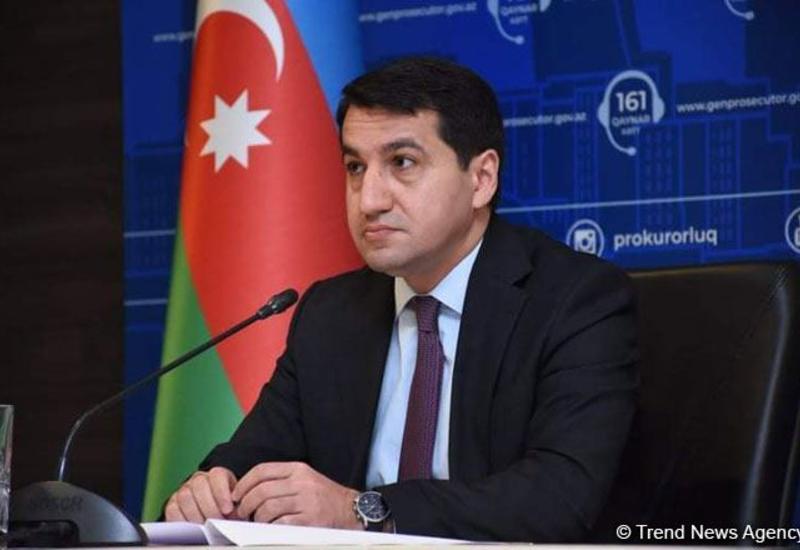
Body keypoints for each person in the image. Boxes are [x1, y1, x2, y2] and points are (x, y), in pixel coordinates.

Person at [163, 57, 638, 542]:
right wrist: (211, 487)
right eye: (355, 167)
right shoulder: (330, 314)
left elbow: (560, 496)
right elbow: (253, 456)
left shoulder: (574, 301)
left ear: (481, 179)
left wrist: (362, 511)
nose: (369, 200)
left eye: (402, 163)